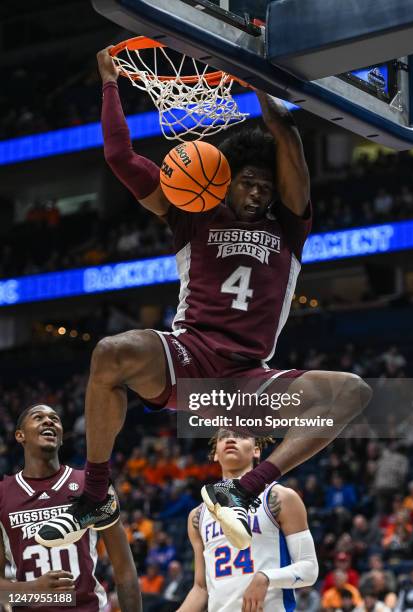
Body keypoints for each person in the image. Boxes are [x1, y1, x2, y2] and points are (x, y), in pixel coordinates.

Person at [36, 46, 372, 551]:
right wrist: (109, 83)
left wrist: (258, 75)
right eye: (250, 182)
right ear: (225, 180)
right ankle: (97, 491)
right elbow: (120, 158)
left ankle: (244, 489)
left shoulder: (291, 225)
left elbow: (289, 137)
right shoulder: (192, 213)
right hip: (188, 355)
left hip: (246, 379)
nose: (260, 193)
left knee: (354, 392)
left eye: (266, 185)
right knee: (110, 352)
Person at [0, 404, 142, 612]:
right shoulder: (3, 493)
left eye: (55, 419)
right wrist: (31, 590)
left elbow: (125, 570)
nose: (49, 421)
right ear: (20, 435)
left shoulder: (91, 485)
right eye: (38, 417)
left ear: (61, 437)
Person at [177, 428, 318, 611]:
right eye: (224, 437)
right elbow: (201, 588)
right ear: (215, 455)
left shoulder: (279, 497)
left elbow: (309, 569)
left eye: (241, 435)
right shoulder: (198, 515)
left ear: (256, 450)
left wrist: (266, 577)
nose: (231, 440)